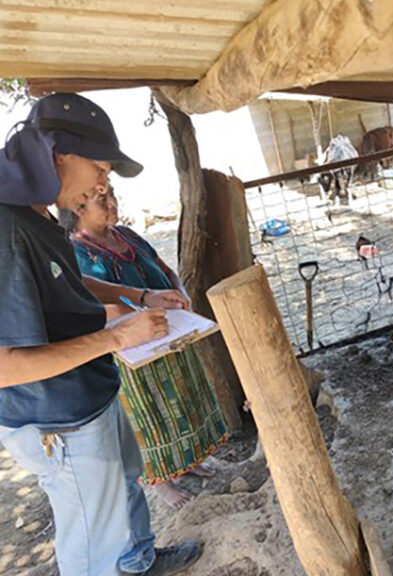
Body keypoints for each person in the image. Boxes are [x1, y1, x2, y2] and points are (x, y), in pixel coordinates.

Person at [0, 93, 202, 576]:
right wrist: (117, 338)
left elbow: (67, 279)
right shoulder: (5, 229)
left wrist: (140, 296)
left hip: (88, 392)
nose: (102, 183)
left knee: (126, 487)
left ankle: (140, 562)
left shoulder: (35, 212)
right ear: (58, 155)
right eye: (100, 168)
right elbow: (5, 366)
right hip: (55, 418)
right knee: (94, 536)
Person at [61, 184, 229, 508]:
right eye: (102, 200)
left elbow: (165, 271)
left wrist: (180, 293)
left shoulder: (126, 235)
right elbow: (101, 308)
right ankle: (160, 481)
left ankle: (187, 462)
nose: (113, 203)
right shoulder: (77, 254)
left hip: (171, 331)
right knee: (151, 414)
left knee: (183, 400)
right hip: (135, 347)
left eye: (113, 194)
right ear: (78, 209)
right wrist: (145, 312)